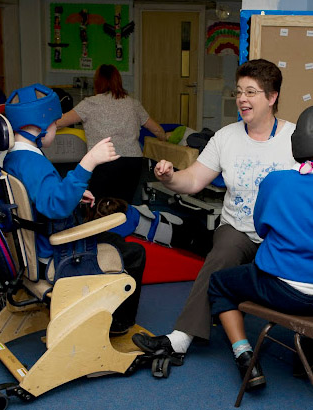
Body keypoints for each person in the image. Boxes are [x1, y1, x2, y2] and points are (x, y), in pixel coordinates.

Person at [132, 59, 296, 357]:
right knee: (223, 252)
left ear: (272, 97)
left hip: (281, 234)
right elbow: (193, 179)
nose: (242, 99)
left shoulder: (295, 139)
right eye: (238, 92)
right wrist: (169, 177)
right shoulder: (226, 137)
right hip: (239, 229)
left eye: (251, 92)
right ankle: (182, 337)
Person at [0, 83, 146, 334]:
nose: (56, 128)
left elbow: (42, 196)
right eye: (55, 124)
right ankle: (118, 325)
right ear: (41, 126)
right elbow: (55, 207)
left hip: (32, 248)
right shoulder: (34, 164)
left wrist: (74, 194)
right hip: (54, 254)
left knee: (110, 239)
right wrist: (88, 162)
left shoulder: (14, 158)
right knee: (133, 253)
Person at [208, 105, 313, 389]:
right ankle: (306, 359)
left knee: (219, 283)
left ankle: (244, 356)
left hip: (282, 288)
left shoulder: (276, 182)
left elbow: (262, 228)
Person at [56, 64, 166, 203]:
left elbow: (58, 123)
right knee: (123, 206)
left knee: (99, 206)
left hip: (104, 163)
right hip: (132, 163)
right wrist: (166, 140)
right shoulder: (133, 103)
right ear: (118, 81)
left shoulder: (89, 104)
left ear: (98, 82)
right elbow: (156, 129)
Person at [87, 197, 213, 257]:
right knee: (199, 228)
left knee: (203, 244)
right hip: (171, 220)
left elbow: (109, 237)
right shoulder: (128, 208)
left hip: (175, 233)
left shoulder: (126, 223)